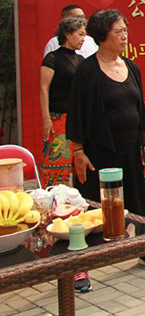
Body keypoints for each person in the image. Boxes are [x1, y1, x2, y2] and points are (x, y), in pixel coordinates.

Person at [67, 9, 145, 293]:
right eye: (119, 31)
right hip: (98, 154)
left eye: (126, 30)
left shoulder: (131, 66)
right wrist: (78, 150)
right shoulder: (87, 70)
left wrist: (143, 147)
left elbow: (139, 108)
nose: (125, 36)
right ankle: (81, 267)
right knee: (92, 210)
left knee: (140, 202)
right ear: (102, 35)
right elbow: (77, 113)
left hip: (130, 151)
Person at [39, 16, 86, 188]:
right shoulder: (53, 58)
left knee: (79, 166)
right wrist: (46, 119)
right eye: (80, 34)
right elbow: (44, 89)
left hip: (77, 120)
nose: (83, 39)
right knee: (56, 168)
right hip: (58, 119)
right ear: (67, 33)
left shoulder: (81, 60)